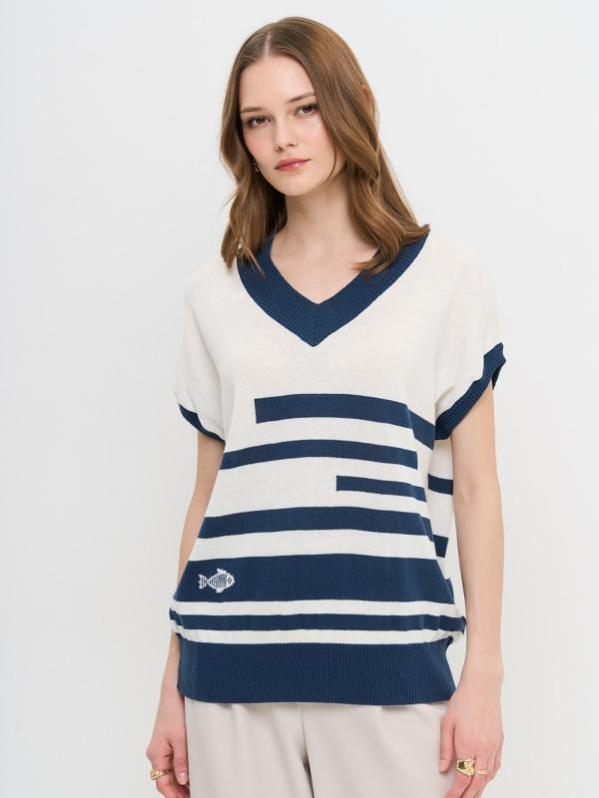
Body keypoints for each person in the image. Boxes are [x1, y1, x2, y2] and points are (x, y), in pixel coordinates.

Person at [146, 15, 506, 798]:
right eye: (257, 120)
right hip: (228, 673)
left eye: (304, 108)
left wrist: (482, 677)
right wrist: (171, 685)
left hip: (391, 670)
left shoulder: (447, 278)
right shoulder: (213, 294)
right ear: (241, 139)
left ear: (350, 105)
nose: (283, 137)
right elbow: (207, 500)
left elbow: (477, 487)